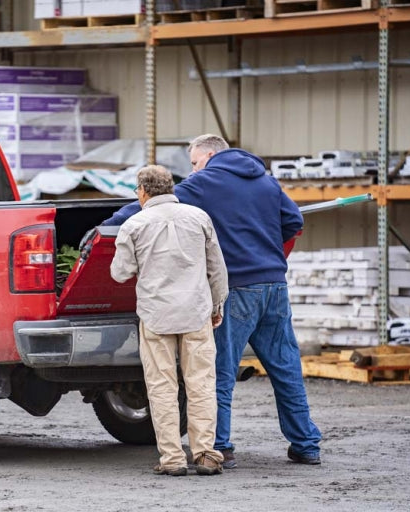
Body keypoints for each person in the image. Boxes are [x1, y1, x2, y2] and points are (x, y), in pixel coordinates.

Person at [103, 134, 322, 469]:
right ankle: (305, 444)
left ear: (207, 155)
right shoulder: (267, 182)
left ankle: (219, 447)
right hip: (275, 287)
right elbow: (294, 222)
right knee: (286, 367)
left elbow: (151, 205)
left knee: (218, 372)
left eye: (193, 162)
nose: (192, 169)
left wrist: (106, 224)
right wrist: (264, 247)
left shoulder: (204, 183)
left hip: (237, 289)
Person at [110, 165, 228, 477]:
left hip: (156, 315)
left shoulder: (133, 224)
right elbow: (217, 268)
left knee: (162, 387)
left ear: (142, 191)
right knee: (201, 384)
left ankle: (173, 459)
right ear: (171, 188)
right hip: (196, 311)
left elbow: (119, 272)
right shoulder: (199, 217)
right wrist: (217, 306)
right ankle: (205, 454)